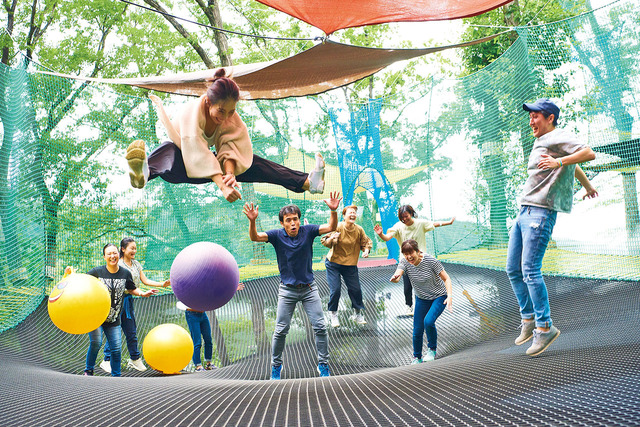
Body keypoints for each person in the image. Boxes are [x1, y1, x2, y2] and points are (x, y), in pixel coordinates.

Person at [125, 69, 325, 202]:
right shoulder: (191, 112)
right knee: (167, 149)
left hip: (207, 166)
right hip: (181, 165)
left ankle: (309, 183)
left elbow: (231, 147)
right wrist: (222, 186)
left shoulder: (228, 117)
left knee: (254, 163)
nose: (225, 117)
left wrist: (229, 174)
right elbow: (196, 151)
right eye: (221, 111)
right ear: (208, 102)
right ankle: (144, 174)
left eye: (231, 111)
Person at [508, 98, 597, 357]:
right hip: (524, 211)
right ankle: (528, 319)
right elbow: (573, 164)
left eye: (536, 116)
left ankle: (544, 327)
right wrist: (588, 186)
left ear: (550, 118)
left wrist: (558, 163)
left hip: (540, 213)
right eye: (530, 116)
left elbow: (588, 153)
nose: (531, 121)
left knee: (530, 270)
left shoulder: (558, 135)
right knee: (513, 269)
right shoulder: (544, 141)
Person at [243, 191, 342, 380]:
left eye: (295, 219)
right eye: (288, 220)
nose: (293, 223)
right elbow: (255, 237)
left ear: (299, 220)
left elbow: (331, 227)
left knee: (320, 327)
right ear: (282, 223)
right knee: (280, 330)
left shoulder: (308, 231)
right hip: (287, 290)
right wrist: (252, 221)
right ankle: (276, 367)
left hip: (309, 289)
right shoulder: (276, 235)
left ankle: (323, 365)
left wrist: (333, 211)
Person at [69, 243, 157, 377]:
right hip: (96, 317)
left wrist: (142, 293)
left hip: (113, 318)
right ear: (104, 257)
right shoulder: (97, 272)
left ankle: (116, 376)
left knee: (116, 349)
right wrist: (70, 274)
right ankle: (89, 370)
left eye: (114, 253)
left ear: (118, 254)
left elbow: (132, 288)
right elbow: (82, 281)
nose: (112, 256)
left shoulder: (125, 273)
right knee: (96, 343)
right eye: (109, 254)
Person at [100, 237, 170, 374]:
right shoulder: (118, 264)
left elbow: (145, 280)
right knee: (115, 330)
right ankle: (107, 360)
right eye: (131, 248)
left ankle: (134, 358)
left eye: (135, 248)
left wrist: (162, 284)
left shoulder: (136, 264)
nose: (134, 251)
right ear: (123, 249)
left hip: (129, 300)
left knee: (131, 331)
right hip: (116, 300)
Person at [374, 205, 455, 316]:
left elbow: (434, 224)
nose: (404, 219)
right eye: (402, 217)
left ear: (411, 214)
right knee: (407, 285)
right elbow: (388, 237)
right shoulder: (398, 226)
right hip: (406, 261)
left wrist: (448, 222)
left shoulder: (420, 223)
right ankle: (409, 306)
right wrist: (381, 234)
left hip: (421, 260)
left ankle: (420, 306)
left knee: (422, 284)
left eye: (406, 216)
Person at [390, 239, 452, 364]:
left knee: (428, 321)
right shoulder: (404, 262)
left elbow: (446, 278)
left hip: (439, 296)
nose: (409, 257)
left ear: (418, 251)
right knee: (417, 329)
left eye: (411, 253)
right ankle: (417, 357)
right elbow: (398, 275)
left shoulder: (431, 261)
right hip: (421, 298)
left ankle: (432, 350)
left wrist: (449, 296)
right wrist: (395, 279)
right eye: (405, 254)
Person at [321, 205, 372, 327]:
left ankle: (357, 314)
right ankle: (333, 314)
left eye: (354, 212)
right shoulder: (338, 227)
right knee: (336, 289)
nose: (353, 214)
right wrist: (332, 239)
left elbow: (366, 242)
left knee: (356, 289)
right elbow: (325, 242)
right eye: (350, 212)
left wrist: (366, 251)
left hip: (350, 265)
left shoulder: (359, 229)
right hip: (333, 263)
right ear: (344, 216)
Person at [178, 283, 244, 372]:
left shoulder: (206, 287)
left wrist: (233, 289)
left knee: (208, 339)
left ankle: (209, 364)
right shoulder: (192, 287)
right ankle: (198, 366)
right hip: (192, 314)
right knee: (197, 342)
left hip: (203, 314)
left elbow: (218, 294)